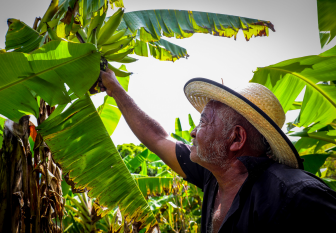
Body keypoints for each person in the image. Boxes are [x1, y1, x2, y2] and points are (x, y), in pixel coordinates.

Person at [99, 69, 336, 233]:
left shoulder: (297, 198)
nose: (192, 132)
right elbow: (158, 138)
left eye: (203, 122)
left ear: (236, 138)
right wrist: (116, 89)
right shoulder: (215, 174)